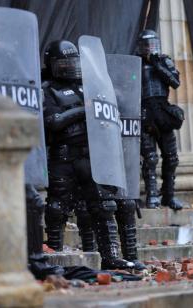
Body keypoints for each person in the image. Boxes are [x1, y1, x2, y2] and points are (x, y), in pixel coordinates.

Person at [42, 40, 133, 270]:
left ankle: (111, 256)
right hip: (63, 158)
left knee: (104, 206)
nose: (70, 67)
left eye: (73, 62)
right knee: (56, 209)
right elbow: (53, 122)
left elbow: (112, 111)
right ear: (52, 64)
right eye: (64, 64)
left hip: (92, 156)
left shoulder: (90, 86)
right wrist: (85, 110)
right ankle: (54, 257)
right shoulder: (47, 89)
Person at [137, 29, 184, 210]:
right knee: (149, 158)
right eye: (146, 45)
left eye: (152, 44)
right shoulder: (135, 63)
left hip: (162, 112)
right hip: (144, 113)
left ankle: (169, 196)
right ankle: (152, 196)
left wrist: (157, 65)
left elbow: (175, 82)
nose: (149, 48)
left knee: (171, 158)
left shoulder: (164, 60)